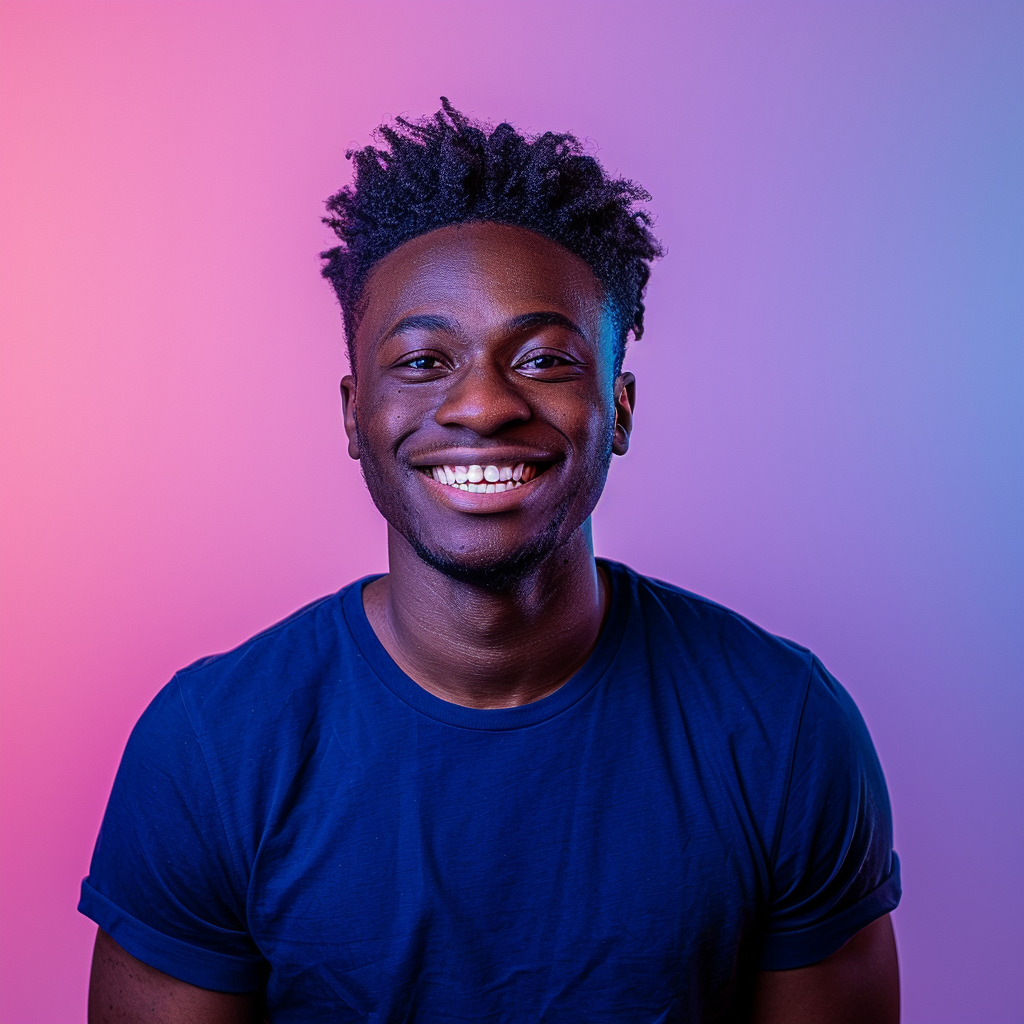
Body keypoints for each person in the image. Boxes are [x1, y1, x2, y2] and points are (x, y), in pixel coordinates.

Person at [81, 100, 901, 1023]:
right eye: (424, 361)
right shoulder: (212, 748)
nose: (481, 405)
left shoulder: (783, 728)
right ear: (355, 415)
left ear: (618, 409)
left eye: (545, 358)